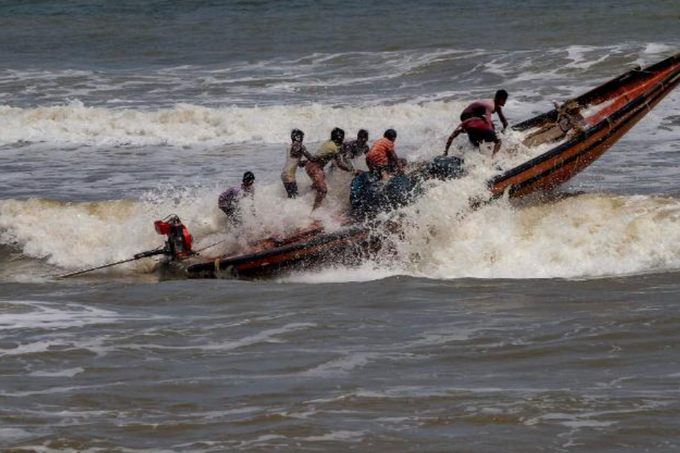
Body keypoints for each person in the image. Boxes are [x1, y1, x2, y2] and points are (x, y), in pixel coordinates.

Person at [305, 127, 358, 210]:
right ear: (339, 138)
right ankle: (314, 211)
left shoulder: (329, 143)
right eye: (342, 138)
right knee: (323, 190)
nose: (343, 140)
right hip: (314, 168)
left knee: (316, 187)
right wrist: (352, 170)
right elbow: (340, 164)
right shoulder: (334, 148)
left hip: (312, 166)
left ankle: (305, 200)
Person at [281, 128, 316, 198]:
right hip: (289, 175)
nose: (303, 139)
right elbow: (311, 158)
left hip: (284, 174)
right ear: (299, 137)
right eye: (302, 137)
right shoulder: (299, 146)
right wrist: (320, 157)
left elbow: (297, 163)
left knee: (291, 197)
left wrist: (305, 162)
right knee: (294, 197)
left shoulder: (290, 146)